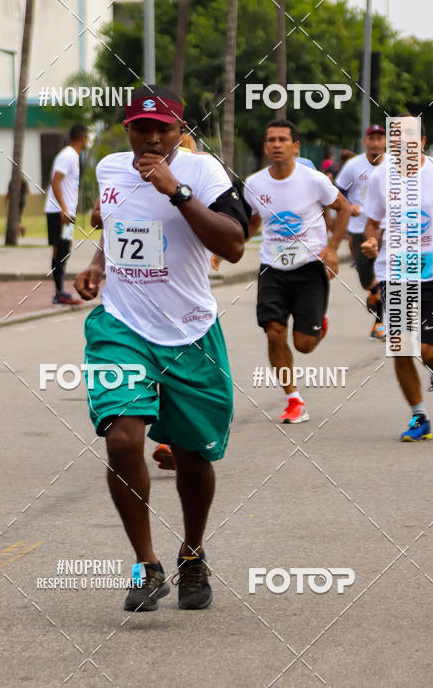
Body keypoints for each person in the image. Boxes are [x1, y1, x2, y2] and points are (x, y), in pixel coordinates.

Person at [74, 85, 248, 613]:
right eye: (141, 127)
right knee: (123, 439)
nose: (152, 138)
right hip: (121, 326)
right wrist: (100, 264)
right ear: (126, 128)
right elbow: (121, 224)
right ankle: (146, 566)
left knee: (195, 455)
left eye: (164, 129)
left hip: (191, 333)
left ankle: (192, 553)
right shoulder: (109, 169)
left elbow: (234, 245)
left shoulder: (204, 174)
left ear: (181, 130)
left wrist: (175, 190)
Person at [362, 116, 433, 441]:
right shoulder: (381, 176)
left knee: (429, 352)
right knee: (400, 347)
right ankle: (418, 417)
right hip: (393, 270)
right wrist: (370, 241)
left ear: (423, 142)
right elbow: (372, 221)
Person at [238, 120, 350, 423]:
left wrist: (333, 249)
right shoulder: (254, 183)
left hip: (309, 268)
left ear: (295, 146)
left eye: (282, 140)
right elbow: (252, 223)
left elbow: (345, 208)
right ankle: (293, 399)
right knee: (273, 332)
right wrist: (224, 248)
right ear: (265, 147)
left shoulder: (314, 180)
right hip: (272, 268)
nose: (276, 144)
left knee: (304, 345)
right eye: (271, 140)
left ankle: (317, 324)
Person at [335, 125, 388, 340]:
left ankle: (381, 323)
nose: (375, 142)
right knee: (366, 278)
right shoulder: (353, 166)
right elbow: (337, 193)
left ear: (385, 142)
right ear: (365, 142)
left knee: (387, 274)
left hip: (387, 227)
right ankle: (374, 292)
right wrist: (349, 206)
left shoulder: (394, 165)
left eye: (379, 138)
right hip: (359, 228)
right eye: (371, 138)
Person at [44, 124, 88, 305]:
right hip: (59, 212)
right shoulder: (68, 155)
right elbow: (55, 181)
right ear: (83, 137)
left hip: (66, 212)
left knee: (64, 250)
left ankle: (60, 292)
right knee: (60, 249)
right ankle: (59, 293)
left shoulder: (73, 156)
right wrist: (63, 208)